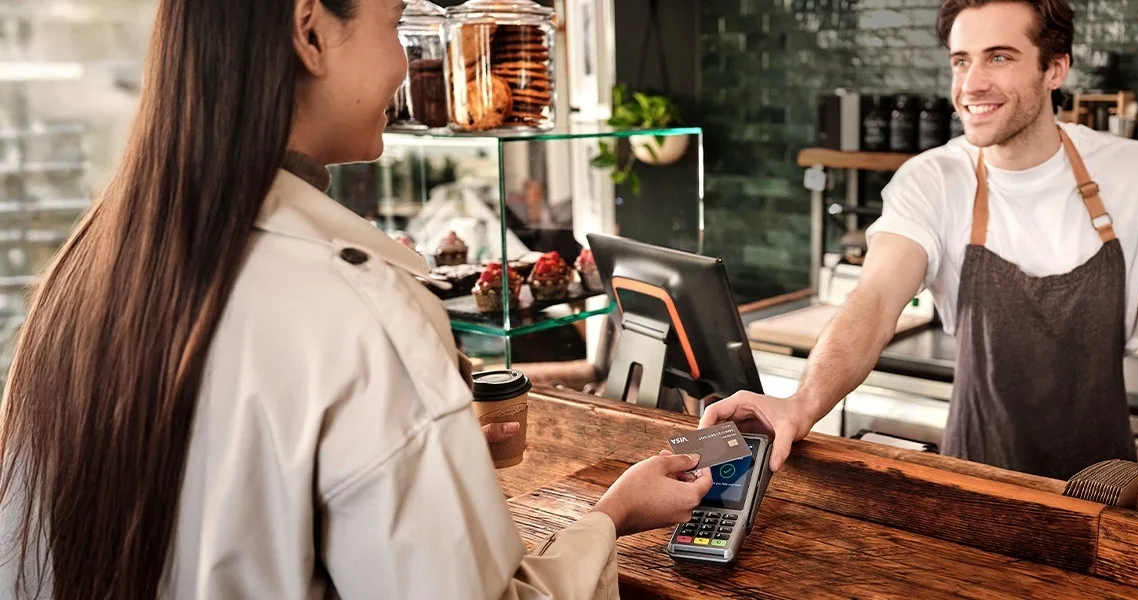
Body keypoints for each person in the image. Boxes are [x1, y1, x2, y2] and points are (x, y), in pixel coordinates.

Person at [0, 1, 710, 599]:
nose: (406, 65)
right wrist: (609, 517)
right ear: (309, 30)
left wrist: (432, 456)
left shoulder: (87, 271)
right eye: (395, 22)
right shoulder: (362, 308)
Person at [702, 0, 1138, 480]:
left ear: (1055, 68)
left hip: (1104, 492)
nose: (971, 85)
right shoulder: (932, 180)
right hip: (972, 484)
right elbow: (876, 300)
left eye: (998, 57)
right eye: (961, 61)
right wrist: (803, 403)